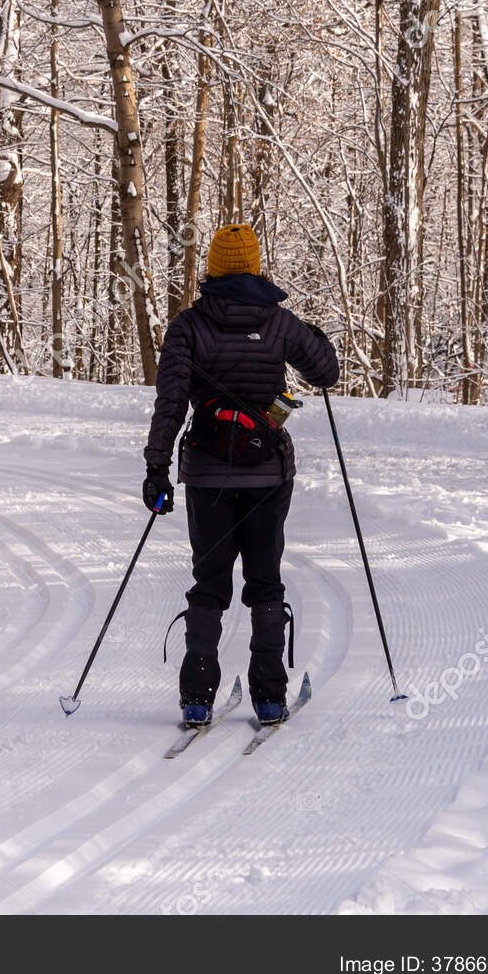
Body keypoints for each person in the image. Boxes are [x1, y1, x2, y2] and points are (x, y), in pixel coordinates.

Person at [143, 224, 339, 728]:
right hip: (268, 472)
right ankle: (270, 698)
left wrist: (156, 468)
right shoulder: (277, 320)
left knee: (209, 583)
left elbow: (170, 402)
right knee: (265, 581)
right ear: (254, 265)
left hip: (207, 474)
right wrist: (313, 337)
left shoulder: (188, 325)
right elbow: (325, 372)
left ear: (211, 266)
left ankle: (196, 698)